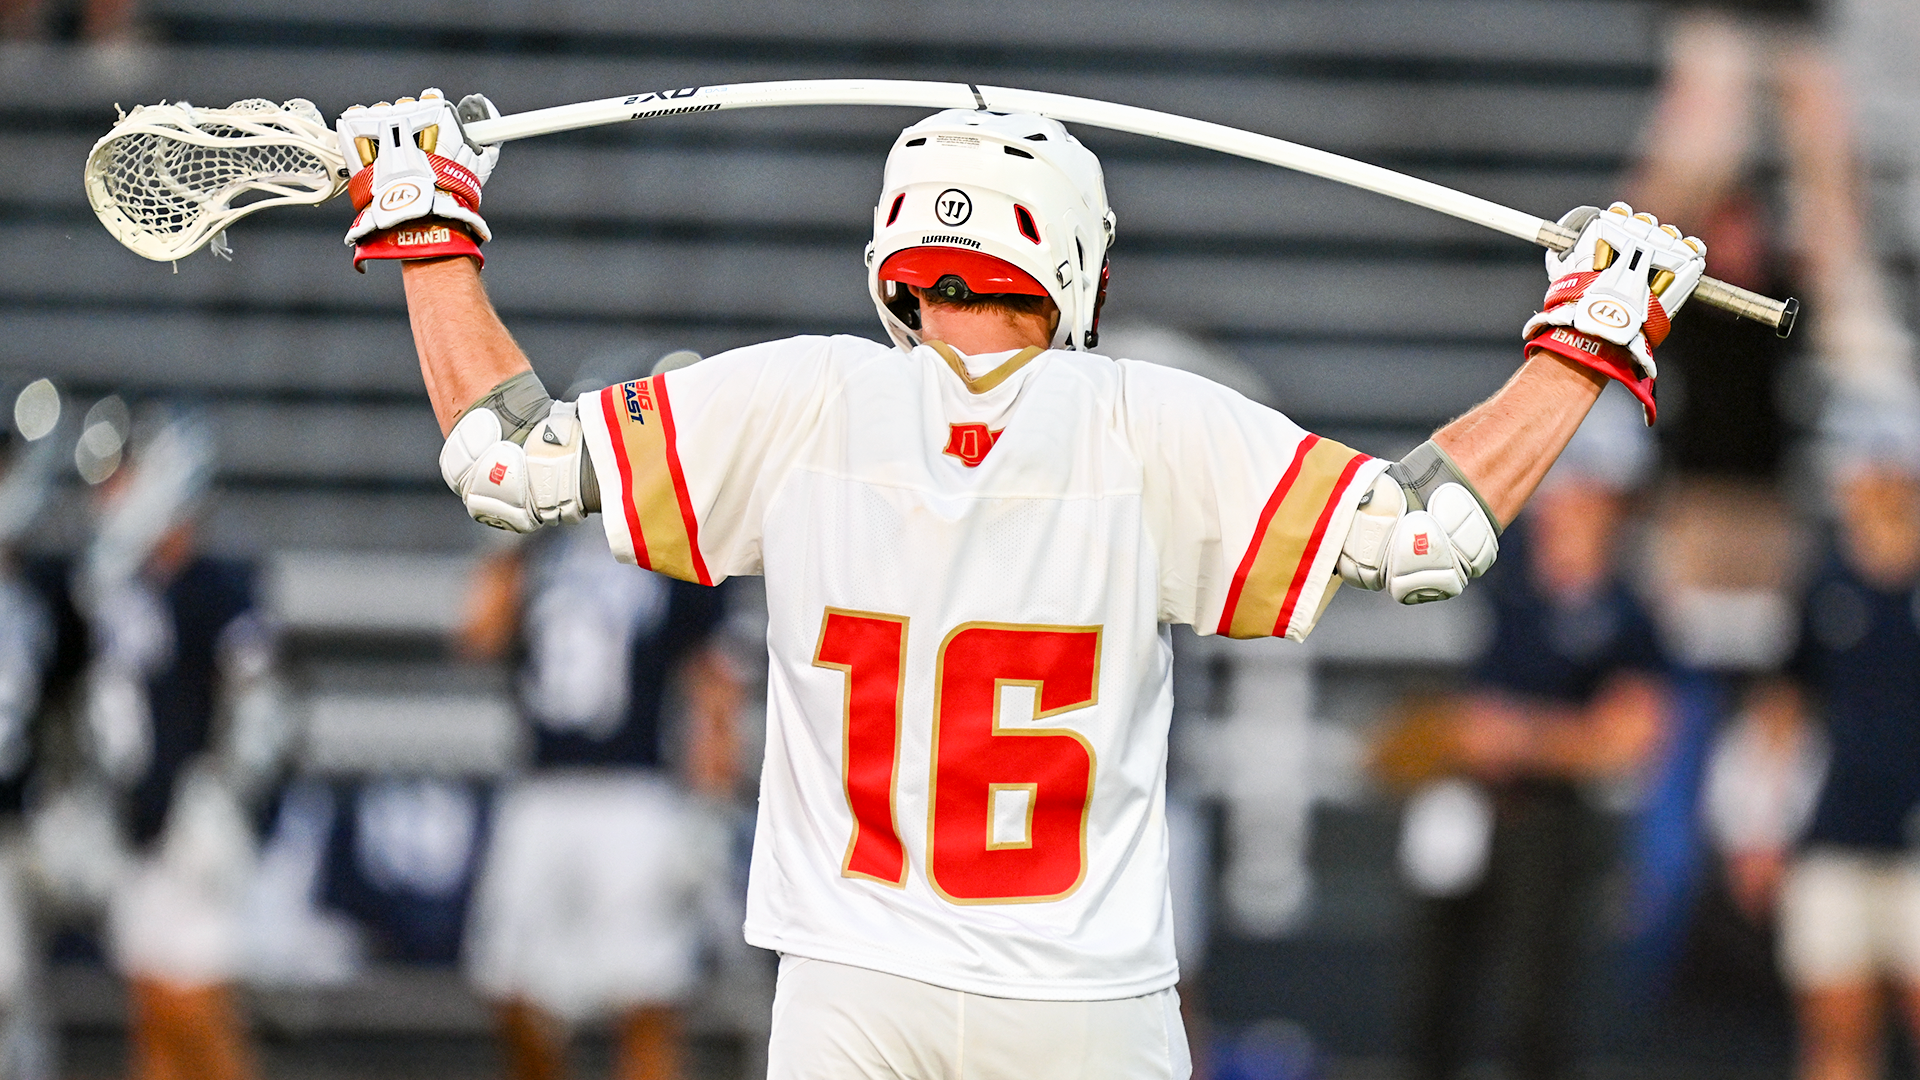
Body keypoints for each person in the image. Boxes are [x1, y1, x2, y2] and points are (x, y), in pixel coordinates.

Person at [331, 88, 1710, 1077]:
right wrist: (1581, 343)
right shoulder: (1149, 422)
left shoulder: (797, 399)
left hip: (849, 987)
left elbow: (504, 463)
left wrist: (429, 226)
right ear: (1074, 258)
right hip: (1083, 998)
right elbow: (1425, 538)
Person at [1384, 387, 1670, 1080]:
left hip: (1549, 815)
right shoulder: (1505, 577)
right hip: (1468, 798)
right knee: (1435, 993)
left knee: (1533, 1002)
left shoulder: (1627, 612)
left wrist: (1522, 738)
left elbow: (1631, 739)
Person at [456, 512, 743, 1080]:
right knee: (509, 987)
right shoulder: (539, 544)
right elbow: (478, 632)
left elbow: (712, 685)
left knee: (646, 1001)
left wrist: (709, 806)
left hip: (637, 795)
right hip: (541, 789)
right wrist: (508, 538)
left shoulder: (673, 537)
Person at [1768, 401, 1920, 1080]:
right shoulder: (1823, 585)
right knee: (1836, 1033)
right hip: (1836, 830)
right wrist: (1762, 820)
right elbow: (1782, 709)